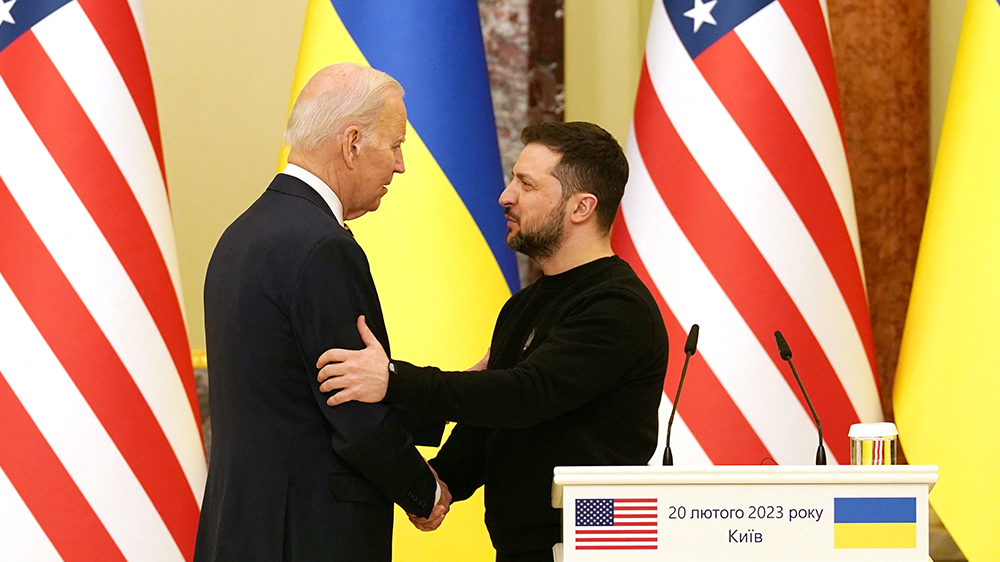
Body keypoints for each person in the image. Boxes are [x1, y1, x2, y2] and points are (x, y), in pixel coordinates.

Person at [316, 122, 669, 562]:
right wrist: (437, 484)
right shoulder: (521, 308)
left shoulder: (617, 307)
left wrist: (391, 379)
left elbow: (522, 396)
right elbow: (490, 426)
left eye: (526, 183)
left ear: (582, 207)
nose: (506, 196)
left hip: (594, 547)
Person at [194, 63, 449, 562]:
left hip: (245, 526)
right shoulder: (322, 246)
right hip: (307, 534)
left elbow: (290, 388)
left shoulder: (241, 234)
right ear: (352, 142)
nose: (400, 166)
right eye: (395, 145)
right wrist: (423, 491)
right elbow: (350, 406)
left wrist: (449, 395)